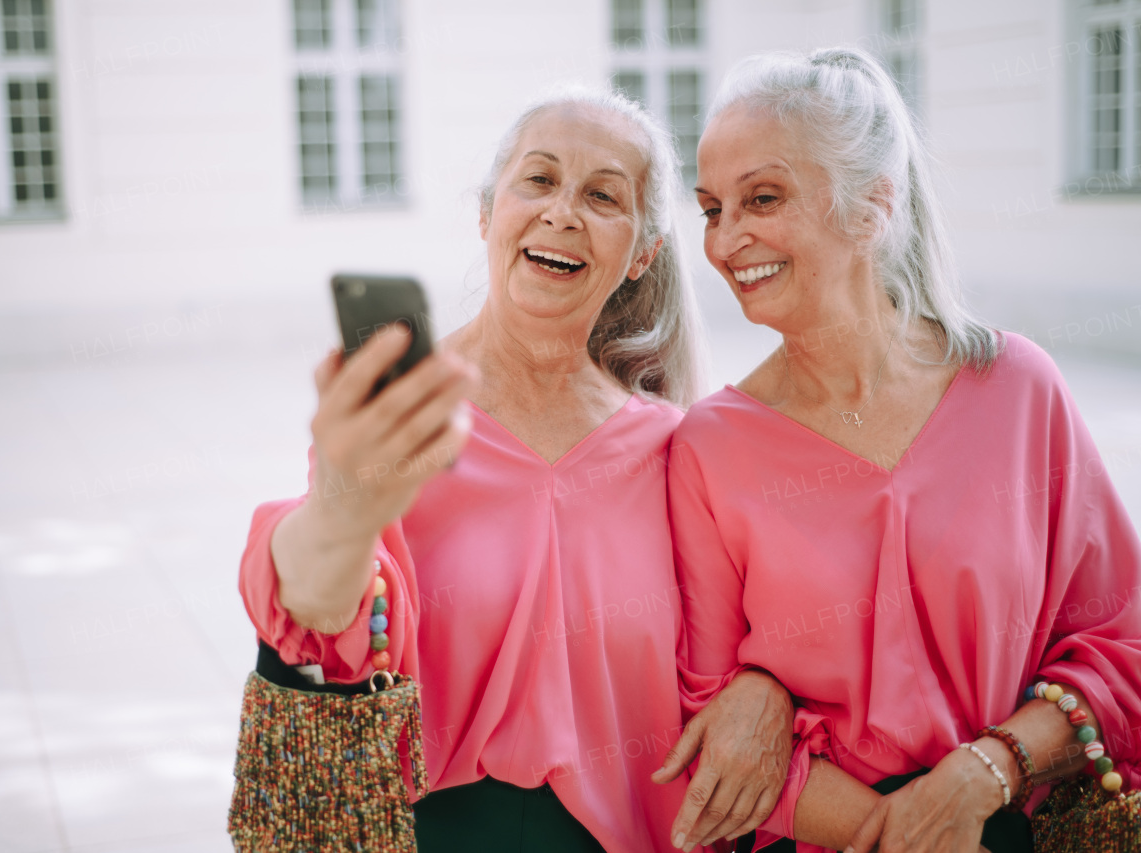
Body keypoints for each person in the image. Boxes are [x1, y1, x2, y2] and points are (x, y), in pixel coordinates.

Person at [236, 88, 789, 853]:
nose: (563, 211)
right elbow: (315, 614)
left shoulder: (675, 450)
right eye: (539, 180)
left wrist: (766, 685)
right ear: (488, 213)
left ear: (642, 255)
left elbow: (725, 664)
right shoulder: (406, 415)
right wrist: (342, 499)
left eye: (602, 195)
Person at [667, 47, 1141, 852]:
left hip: (1020, 823)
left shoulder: (1018, 389)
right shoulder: (709, 447)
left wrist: (987, 772)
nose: (726, 241)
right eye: (711, 208)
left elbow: (1126, 651)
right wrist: (905, 831)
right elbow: (703, 721)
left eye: (762, 198)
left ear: (873, 205)